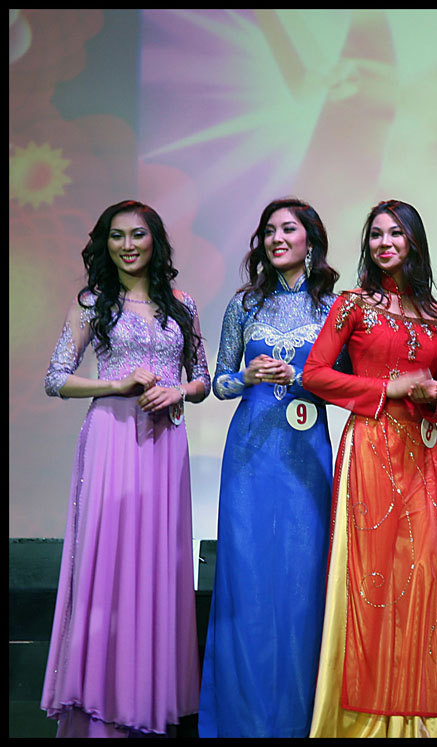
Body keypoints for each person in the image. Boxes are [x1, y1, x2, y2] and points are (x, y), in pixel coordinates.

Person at [41, 200, 210, 737]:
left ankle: (146, 699)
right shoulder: (93, 304)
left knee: (157, 566)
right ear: (104, 244)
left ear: (155, 240)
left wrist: (178, 390)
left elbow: (202, 379)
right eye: (116, 236)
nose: (128, 245)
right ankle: (100, 706)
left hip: (166, 444)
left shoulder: (183, 305)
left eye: (138, 235)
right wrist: (116, 383)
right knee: (108, 564)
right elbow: (56, 378)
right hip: (112, 439)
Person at [303, 199, 437, 738]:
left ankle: (411, 725)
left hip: (421, 455)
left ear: (414, 242)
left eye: (395, 234)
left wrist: (434, 396)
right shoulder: (352, 305)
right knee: (367, 583)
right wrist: (389, 387)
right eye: (375, 235)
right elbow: (315, 374)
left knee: (418, 582)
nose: (384, 243)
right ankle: (354, 724)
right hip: (370, 446)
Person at [199, 198, 341, 737]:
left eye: (289, 229)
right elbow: (219, 382)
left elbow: (348, 384)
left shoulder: (336, 306)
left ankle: (301, 719)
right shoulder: (245, 304)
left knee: (304, 578)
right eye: (268, 230)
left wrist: (301, 378)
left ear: (311, 239)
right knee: (248, 576)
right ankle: (244, 720)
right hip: (250, 451)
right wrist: (249, 378)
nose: (277, 238)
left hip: (306, 451)